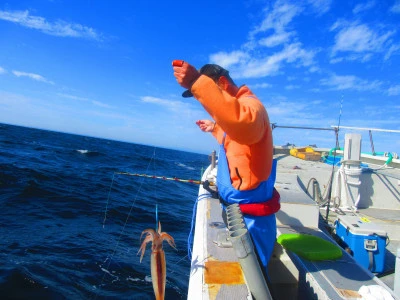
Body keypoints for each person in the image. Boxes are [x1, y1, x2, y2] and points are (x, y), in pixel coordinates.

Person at [172, 61, 280, 272]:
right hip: (238, 215)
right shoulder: (242, 110)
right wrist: (214, 128)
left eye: (212, 92)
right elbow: (237, 139)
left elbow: (243, 125)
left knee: (254, 274)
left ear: (221, 82)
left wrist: (196, 82)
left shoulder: (252, 106)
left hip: (251, 220)